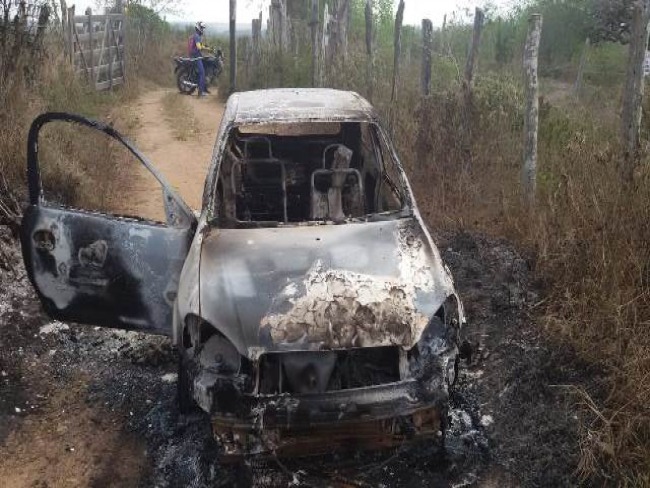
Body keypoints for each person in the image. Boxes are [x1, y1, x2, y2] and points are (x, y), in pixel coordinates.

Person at [188, 21, 209, 96]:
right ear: (198, 28)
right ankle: (200, 92)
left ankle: (204, 89)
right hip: (196, 57)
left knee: (205, 68)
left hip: (196, 55)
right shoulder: (197, 36)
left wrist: (207, 48)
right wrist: (206, 48)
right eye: (202, 28)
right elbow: (199, 47)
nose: (203, 30)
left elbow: (200, 45)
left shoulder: (197, 36)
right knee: (202, 73)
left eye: (203, 28)